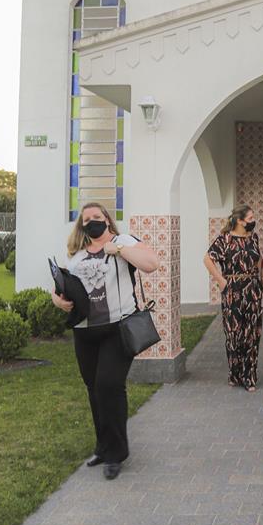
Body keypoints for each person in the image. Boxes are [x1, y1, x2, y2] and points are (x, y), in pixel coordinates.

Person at [51, 203, 159, 480]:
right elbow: (61, 287)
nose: (92, 222)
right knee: (94, 389)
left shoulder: (122, 242)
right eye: (86, 220)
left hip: (117, 328)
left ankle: (116, 453)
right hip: (85, 332)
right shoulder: (77, 255)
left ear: (107, 220)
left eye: (97, 217)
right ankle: (103, 446)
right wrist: (57, 299)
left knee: (109, 385)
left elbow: (151, 264)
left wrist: (119, 250)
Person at [205, 205, 263, 391]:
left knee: (252, 333)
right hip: (232, 289)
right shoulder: (225, 239)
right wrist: (221, 281)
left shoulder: (253, 237)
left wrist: (261, 274)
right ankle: (235, 373)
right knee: (234, 334)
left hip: (252, 289)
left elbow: (258, 258)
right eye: (250, 217)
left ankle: (249, 376)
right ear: (240, 220)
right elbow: (208, 259)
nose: (253, 220)